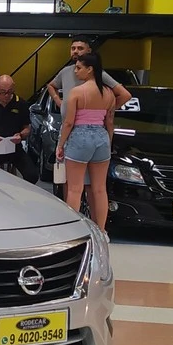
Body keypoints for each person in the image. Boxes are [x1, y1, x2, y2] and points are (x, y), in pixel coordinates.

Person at [45, 35, 132, 195]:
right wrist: (59, 101)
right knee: (68, 180)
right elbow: (51, 85)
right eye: (73, 48)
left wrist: (106, 109)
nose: (76, 52)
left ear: (89, 51)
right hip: (69, 130)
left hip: (83, 131)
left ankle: (86, 211)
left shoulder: (98, 75)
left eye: (80, 48)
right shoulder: (65, 72)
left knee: (88, 184)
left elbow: (125, 95)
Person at [55, 52, 118, 229]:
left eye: (78, 68)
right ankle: (102, 230)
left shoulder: (77, 92)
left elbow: (68, 122)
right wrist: (108, 142)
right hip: (102, 137)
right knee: (100, 188)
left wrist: (61, 145)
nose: (75, 71)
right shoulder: (109, 93)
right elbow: (110, 122)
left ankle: (73, 229)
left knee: (75, 188)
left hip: (79, 137)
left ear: (90, 69)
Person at [0, 74, 39, 183]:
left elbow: (27, 128)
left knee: (32, 175)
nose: (6, 95)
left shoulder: (21, 104)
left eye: (10, 92)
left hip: (14, 148)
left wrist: (20, 135)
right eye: (3, 92)